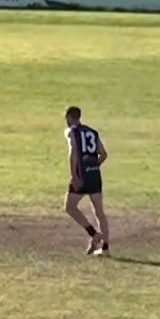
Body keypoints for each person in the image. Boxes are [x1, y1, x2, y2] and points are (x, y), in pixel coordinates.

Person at [63, 106, 110, 256]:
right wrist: (94, 166)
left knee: (70, 207)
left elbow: (73, 154)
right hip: (95, 176)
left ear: (69, 117)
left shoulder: (71, 132)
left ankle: (94, 234)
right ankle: (106, 249)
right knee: (99, 212)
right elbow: (103, 154)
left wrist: (75, 176)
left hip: (81, 176)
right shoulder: (92, 132)